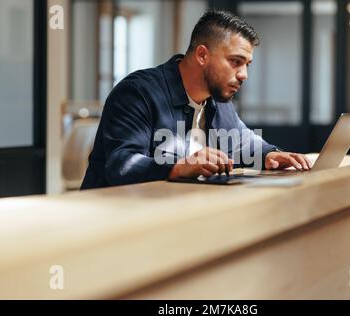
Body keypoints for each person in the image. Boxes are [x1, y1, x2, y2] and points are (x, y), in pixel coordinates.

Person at [81, 9, 312, 190]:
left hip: (174, 217)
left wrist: (270, 154)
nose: (244, 75)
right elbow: (122, 165)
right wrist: (179, 167)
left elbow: (243, 141)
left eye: (247, 65)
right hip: (115, 224)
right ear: (202, 55)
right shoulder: (138, 92)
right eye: (235, 61)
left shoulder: (219, 101)